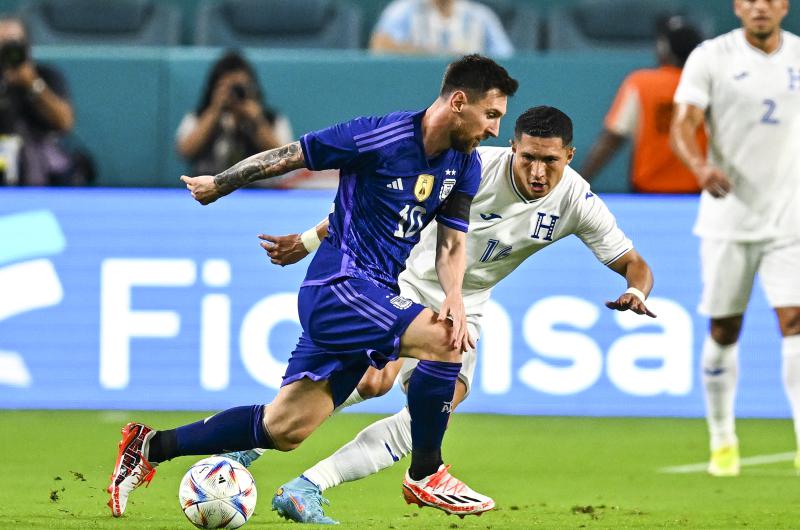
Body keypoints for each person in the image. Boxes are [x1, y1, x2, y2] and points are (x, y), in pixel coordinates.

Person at [107, 54, 519, 520]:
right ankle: (426, 472)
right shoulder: (377, 136)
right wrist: (220, 184)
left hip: (373, 295)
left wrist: (454, 298)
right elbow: (289, 155)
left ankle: (149, 446)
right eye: (491, 115)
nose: (494, 131)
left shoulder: (463, 166)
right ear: (460, 102)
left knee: (285, 428)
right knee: (448, 343)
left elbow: (449, 248)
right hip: (339, 286)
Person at [227, 106, 656, 524]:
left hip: (468, 302)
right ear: (512, 148)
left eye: (550, 161)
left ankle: (307, 487)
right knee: (375, 379)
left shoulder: (578, 200)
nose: (538, 173)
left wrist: (635, 289)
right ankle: (259, 438)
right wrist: (307, 240)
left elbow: (634, 263)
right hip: (408, 276)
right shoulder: (475, 167)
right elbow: (378, 205)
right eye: (528, 158)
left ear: (569, 156)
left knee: (434, 410)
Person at [670, 0, 800, 476]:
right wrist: (700, 166)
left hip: (791, 220)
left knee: (795, 321)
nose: (760, 7)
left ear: (784, 6)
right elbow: (683, 123)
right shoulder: (711, 56)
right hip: (729, 217)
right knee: (725, 328)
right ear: (737, 7)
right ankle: (722, 438)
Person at [581, 16, 705, 193]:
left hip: (647, 193)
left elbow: (610, 140)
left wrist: (577, 186)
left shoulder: (641, 84)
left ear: (663, 48)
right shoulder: (709, 86)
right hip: (698, 194)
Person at [175, 50, 293, 178]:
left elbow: (284, 158)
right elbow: (185, 151)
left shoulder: (271, 119)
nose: (233, 95)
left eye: (238, 88)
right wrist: (214, 110)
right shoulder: (198, 116)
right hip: (208, 187)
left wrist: (256, 121)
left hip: (257, 190)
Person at [0, 17, 86, 186]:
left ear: (27, 46)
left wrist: (32, 83)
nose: (7, 51)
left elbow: (65, 123)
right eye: (1, 44)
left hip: (40, 168)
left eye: (13, 44)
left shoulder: (45, 75)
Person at [370, 0, 514, 58]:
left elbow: (506, 58)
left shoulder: (481, 16)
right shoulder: (403, 10)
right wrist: (432, 54)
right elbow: (380, 46)